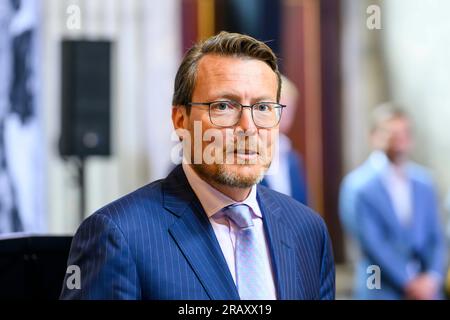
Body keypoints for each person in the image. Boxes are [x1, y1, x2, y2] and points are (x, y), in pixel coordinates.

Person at [60, 32, 335, 300]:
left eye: (263, 108)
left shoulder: (308, 230)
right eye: (224, 106)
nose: (248, 128)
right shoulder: (118, 235)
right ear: (181, 120)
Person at [341, 102, 446, 300]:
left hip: (428, 290)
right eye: (391, 133)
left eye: (404, 133)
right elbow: (372, 244)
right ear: (374, 136)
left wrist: (433, 277)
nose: (399, 140)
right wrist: (409, 283)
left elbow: (436, 237)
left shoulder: (424, 182)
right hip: (380, 287)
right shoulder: (358, 186)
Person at [261, 75, 308, 205]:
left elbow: (302, 205)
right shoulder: (247, 153)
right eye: (280, 106)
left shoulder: (293, 158)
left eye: (290, 108)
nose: (285, 114)